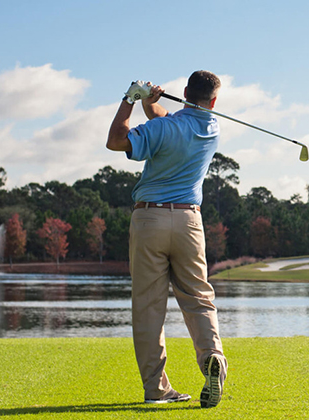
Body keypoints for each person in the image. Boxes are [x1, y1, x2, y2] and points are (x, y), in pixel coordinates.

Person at [106, 71, 228, 408]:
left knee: (149, 307)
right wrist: (152, 104)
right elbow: (169, 123)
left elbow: (117, 140)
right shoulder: (212, 128)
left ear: (186, 91)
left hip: (149, 218)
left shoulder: (163, 128)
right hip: (189, 221)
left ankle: (157, 390)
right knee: (199, 298)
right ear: (213, 101)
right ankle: (211, 360)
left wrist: (130, 99)